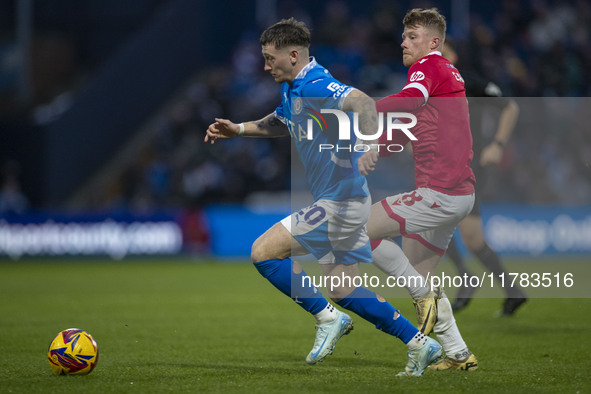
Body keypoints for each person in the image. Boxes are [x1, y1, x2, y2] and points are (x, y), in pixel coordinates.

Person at [205, 18, 441, 376]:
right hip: (343, 199)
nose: (266, 66)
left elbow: (361, 102)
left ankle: (327, 319)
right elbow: (282, 121)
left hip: (340, 201)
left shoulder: (316, 83)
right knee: (341, 287)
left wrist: (366, 145)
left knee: (264, 253)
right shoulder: (293, 87)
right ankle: (420, 344)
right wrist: (238, 129)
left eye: (271, 59)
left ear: (294, 55)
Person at [358, 8, 478, 371]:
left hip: (438, 194)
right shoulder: (446, 75)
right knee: (418, 272)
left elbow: (408, 101)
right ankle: (459, 355)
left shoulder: (430, 67)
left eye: (412, 36)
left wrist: (362, 108)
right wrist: (379, 142)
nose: (404, 42)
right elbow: (413, 121)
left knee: (357, 229)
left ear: (434, 42)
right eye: (404, 35)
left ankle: (421, 297)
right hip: (459, 195)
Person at [441, 40, 527, 315]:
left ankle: (473, 279)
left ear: (453, 56)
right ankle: (507, 289)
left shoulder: (469, 82)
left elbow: (509, 107)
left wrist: (498, 144)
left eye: (441, 53)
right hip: (438, 168)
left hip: (466, 168)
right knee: (445, 228)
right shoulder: (425, 86)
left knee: (468, 236)